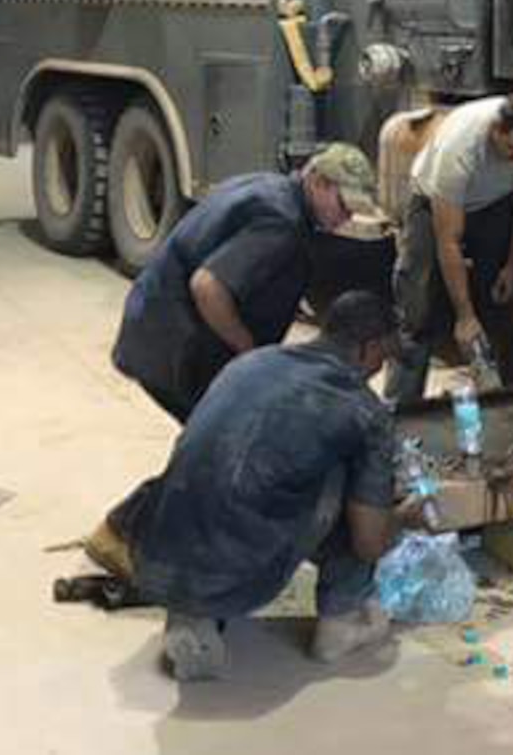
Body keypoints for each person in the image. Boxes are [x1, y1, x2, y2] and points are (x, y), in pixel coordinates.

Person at [117, 291, 416, 682]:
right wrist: (404, 516)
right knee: (355, 486)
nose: (378, 368)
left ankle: (193, 615)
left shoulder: (253, 362)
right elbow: (369, 544)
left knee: (242, 478)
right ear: (368, 348)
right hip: (238, 567)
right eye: (383, 357)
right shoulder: (363, 411)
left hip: (154, 553)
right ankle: (340, 624)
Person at [111, 143, 380, 423]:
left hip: (154, 322)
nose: (348, 217)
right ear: (318, 182)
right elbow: (208, 286)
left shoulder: (271, 187)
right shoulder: (280, 222)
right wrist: (249, 353)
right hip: (174, 343)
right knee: (222, 438)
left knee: (217, 437)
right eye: (345, 205)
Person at [385, 93, 513, 404]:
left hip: (495, 202)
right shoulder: (459, 147)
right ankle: (400, 408)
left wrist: (512, 266)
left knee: (506, 306)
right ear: (495, 130)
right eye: (511, 148)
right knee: (418, 308)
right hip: (433, 202)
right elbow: (449, 240)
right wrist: (464, 316)